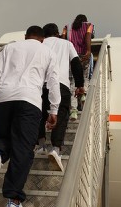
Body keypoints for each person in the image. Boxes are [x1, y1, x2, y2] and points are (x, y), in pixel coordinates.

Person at [0, 26, 61, 207]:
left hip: (4, 98)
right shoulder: (47, 51)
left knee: (3, 135)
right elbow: (53, 81)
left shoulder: (10, 48)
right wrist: (54, 109)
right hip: (29, 100)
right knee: (23, 149)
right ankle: (13, 201)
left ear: (25, 37)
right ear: (42, 40)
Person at [35, 23, 84, 172]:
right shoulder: (66, 44)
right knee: (61, 114)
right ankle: (55, 148)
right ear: (57, 33)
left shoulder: (39, 44)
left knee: (39, 114)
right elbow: (76, 64)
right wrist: (79, 85)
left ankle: (41, 144)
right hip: (60, 83)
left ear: (43, 34)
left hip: (39, 84)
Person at [61, 14, 94, 114]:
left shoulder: (67, 26)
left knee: (72, 81)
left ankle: (74, 109)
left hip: (72, 56)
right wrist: (88, 50)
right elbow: (88, 36)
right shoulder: (89, 25)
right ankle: (83, 95)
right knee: (85, 78)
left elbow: (63, 38)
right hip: (83, 55)